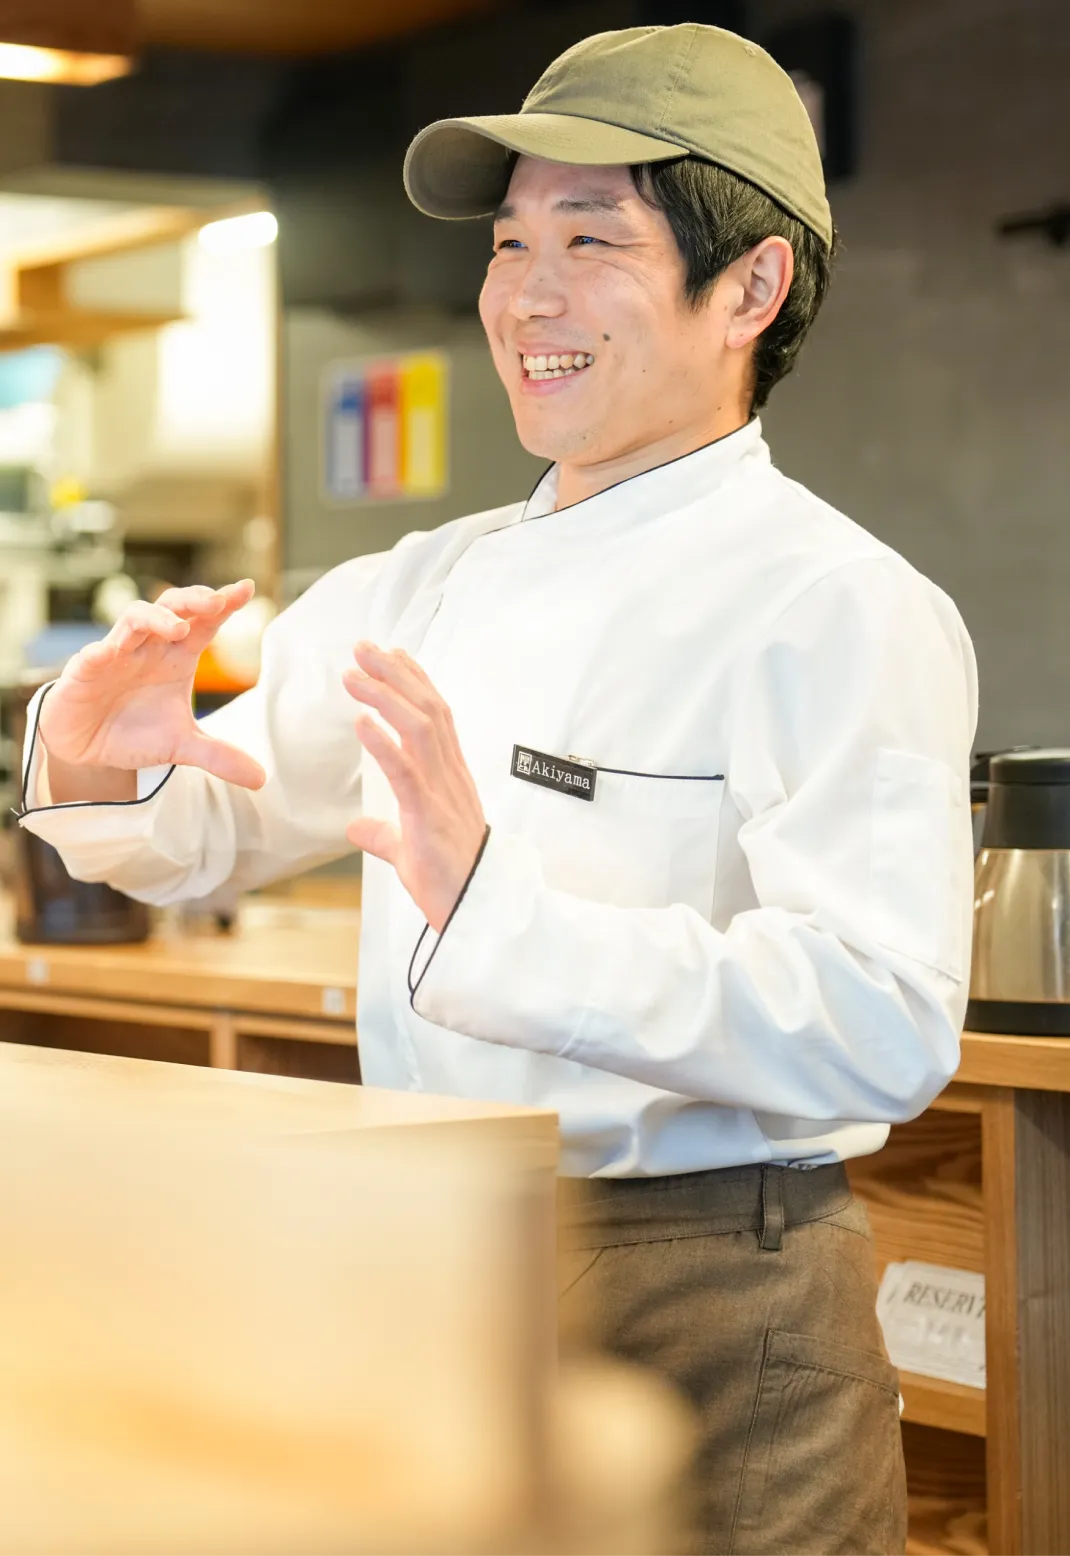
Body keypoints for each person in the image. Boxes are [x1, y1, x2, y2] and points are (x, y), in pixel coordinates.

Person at [19, 24, 977, 1554]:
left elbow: (881, 1022)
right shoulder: (416, 585)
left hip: (711, 1283)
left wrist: (495, 910)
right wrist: (95, 747)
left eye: (591, 241)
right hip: (435, 1256)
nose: (527, 292)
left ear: (749, 288)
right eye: (512, 241)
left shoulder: (836, 604)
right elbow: (201, 837)